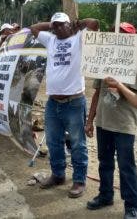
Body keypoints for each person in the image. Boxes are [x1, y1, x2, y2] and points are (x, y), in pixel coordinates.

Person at [30, 12, 99, 198]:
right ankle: (58, 175)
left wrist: (79, 23)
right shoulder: (51, 40)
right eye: (55, 25)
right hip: (53, 102)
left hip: (74, 102)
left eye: (62, 24)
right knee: (53, 141)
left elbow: (94, 23)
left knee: (78, 143)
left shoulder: (78, 38)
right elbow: (34, 28)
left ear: (70, 25)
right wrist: (51, 25)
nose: (58, 28)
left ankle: (79, 180)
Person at [85, 23, 137, 219]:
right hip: (103, 123)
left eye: (125, 36)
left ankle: (132, 205)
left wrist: (120, 87)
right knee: (104, 162)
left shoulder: (135, 65)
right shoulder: (103, 62)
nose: (120, 39)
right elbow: (96, 94)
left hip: (125, 125)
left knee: (126, 166)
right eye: (118, 34)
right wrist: (90, 120)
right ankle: (105, 195)